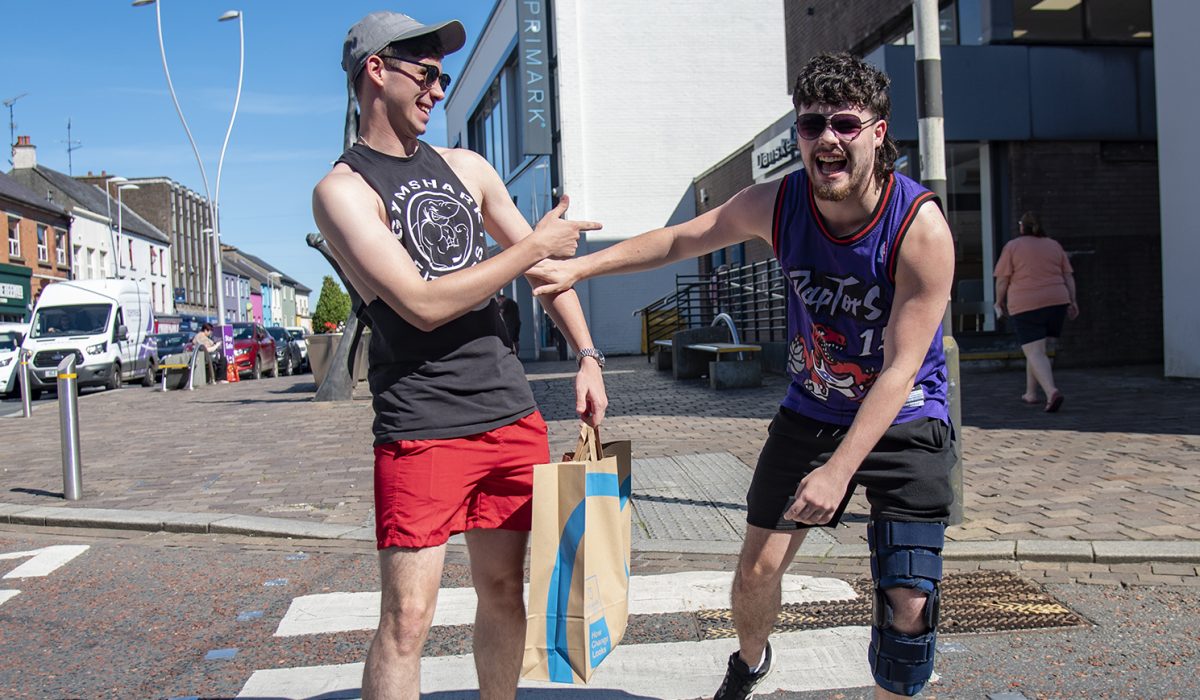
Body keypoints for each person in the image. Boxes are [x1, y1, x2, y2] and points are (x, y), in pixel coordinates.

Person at [532, 53, 955, 700]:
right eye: (812, 126)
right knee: (755, 572)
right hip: (813, 409)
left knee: (908, 600)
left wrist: (840, 470)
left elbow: (900, 369)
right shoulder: (776, 203)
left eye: (845, 123)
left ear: (878, 131)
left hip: (905, 416)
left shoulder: (919, 229)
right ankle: (750, 662)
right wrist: (580, 271)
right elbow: (681, 239)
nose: (828, 140)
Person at [311, 12, 608, 700]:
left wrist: (587, 353)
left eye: (444, 76)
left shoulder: (467, 168)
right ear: (375, 73)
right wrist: (533, 245)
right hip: (422, 425)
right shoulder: (343, 191)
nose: (439, 89)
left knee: (506, 591)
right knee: (407, 619)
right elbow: (421, 302)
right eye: (426, 72)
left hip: (509, 414)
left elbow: (545, 273)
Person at [993, 211, 1078, 413]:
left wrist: (999, 301)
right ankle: (1031, 392)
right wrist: (1073, 301)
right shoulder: (1054, 245)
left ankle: (1051, 392)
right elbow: (1068, 276)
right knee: (1037, 350)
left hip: (1026, 303)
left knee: (1034, 351)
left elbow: (1003, 279)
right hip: (1057, 301)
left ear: (1022, 227)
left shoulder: (1013, 247)